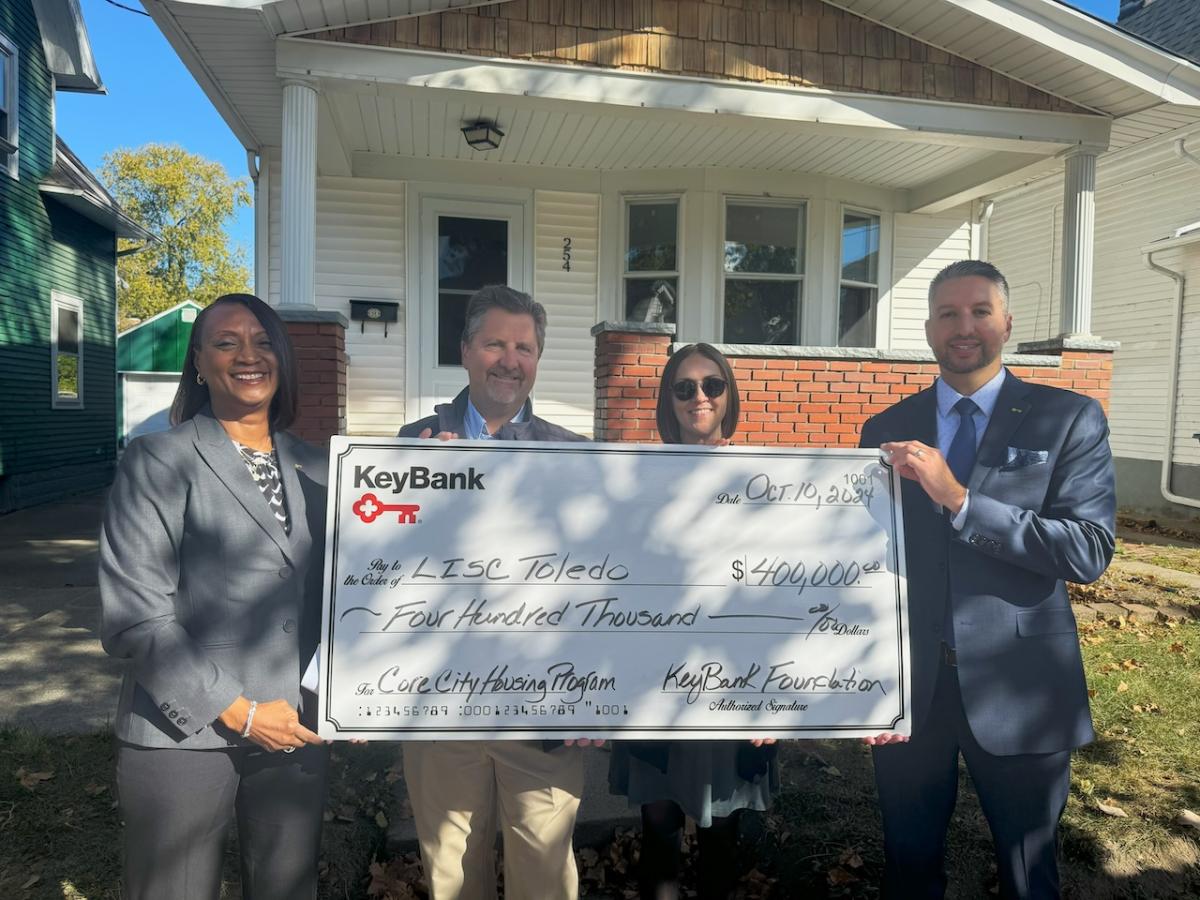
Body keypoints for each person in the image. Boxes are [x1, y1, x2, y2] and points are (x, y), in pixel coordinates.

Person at [858, 260, 1116, 898]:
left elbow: (1088, 550)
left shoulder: (1069, 419)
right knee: (908, 861)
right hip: (909, 684)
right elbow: (862, 556)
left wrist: (962, 501)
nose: (963, 327)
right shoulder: (886, 429)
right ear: (928, 330)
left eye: (978, 311)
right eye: (948, 314)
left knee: (1029, 871)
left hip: (1020, 682)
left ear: (1007, 323)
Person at [99, 294, 330, 900]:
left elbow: (366, 585)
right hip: (184, 734)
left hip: (294, 728)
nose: (247, 356)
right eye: (226, 342)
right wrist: (240, 711)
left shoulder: (323, 468)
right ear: (199, 362)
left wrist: (437, 474)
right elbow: (135, 616)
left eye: (262, 341)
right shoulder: (156, 461)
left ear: (282, 356)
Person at [398, 284, 594, 900]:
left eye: (525, 347)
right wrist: (424, 493)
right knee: (451, 873)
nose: (510, 360)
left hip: (543, 709)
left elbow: (598, 586)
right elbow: (377, 575)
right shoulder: (409, 447)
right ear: (465, 350)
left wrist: (600, 694)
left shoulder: (577, 457)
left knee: (545, 871)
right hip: (439, 709)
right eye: (495, 344)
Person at [608, 342, 779, 900]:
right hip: (652, 683)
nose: (699, 397)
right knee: (658, 832)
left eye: (712, 385)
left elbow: (784, 590)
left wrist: (782, 693)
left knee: (721, 835)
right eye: (684, 387)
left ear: (728, 395)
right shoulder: (634, 480)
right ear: (668, 399)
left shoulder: (766, 481)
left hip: (733, 681)